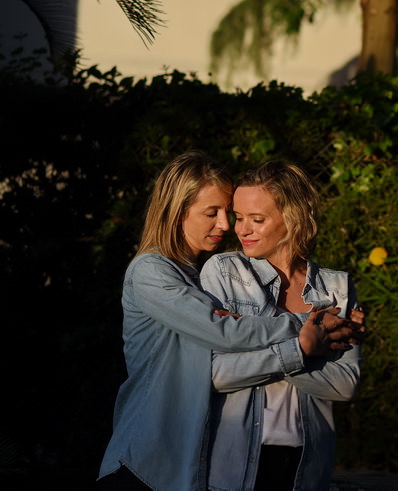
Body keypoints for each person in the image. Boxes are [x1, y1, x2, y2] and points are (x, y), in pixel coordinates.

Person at [98, 151, 352, 491]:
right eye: (211, 213)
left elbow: (344, 383)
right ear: (176, 214)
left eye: (225, 212)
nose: (225, 225)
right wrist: (310, 324)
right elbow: (224, 333)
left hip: (182, 465)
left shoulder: (193, 275)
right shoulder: (151, 273)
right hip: (143, 462)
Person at [200, 160, 365, 491]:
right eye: (239, 217)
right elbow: (215, 374)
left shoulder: (337, 287)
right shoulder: (223, 273)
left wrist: (252, 337)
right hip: (235, 465)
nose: (241, 229)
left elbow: (345, 384)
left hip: (306, 466)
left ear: (293, 219)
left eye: (257, 219)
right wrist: (304, 345)